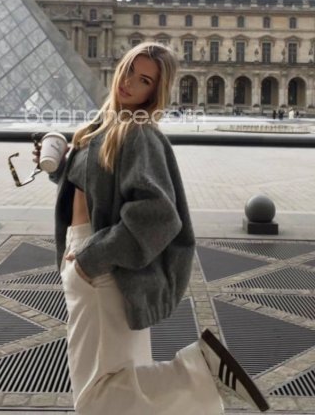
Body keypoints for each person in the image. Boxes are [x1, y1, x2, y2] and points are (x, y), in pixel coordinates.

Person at [33, 42, 269, 414]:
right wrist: (62, 168)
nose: (129, 82)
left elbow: (158, 214)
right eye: (130, 70)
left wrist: (91, 259)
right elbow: (96, 190)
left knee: (95, 397)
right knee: (128, 383)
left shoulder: (137, 132)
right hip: (97, 262)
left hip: (102, 268)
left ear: (153, 92)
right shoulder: (102, 126)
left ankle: (200, 371)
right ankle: (201, 373)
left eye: (144, 80)